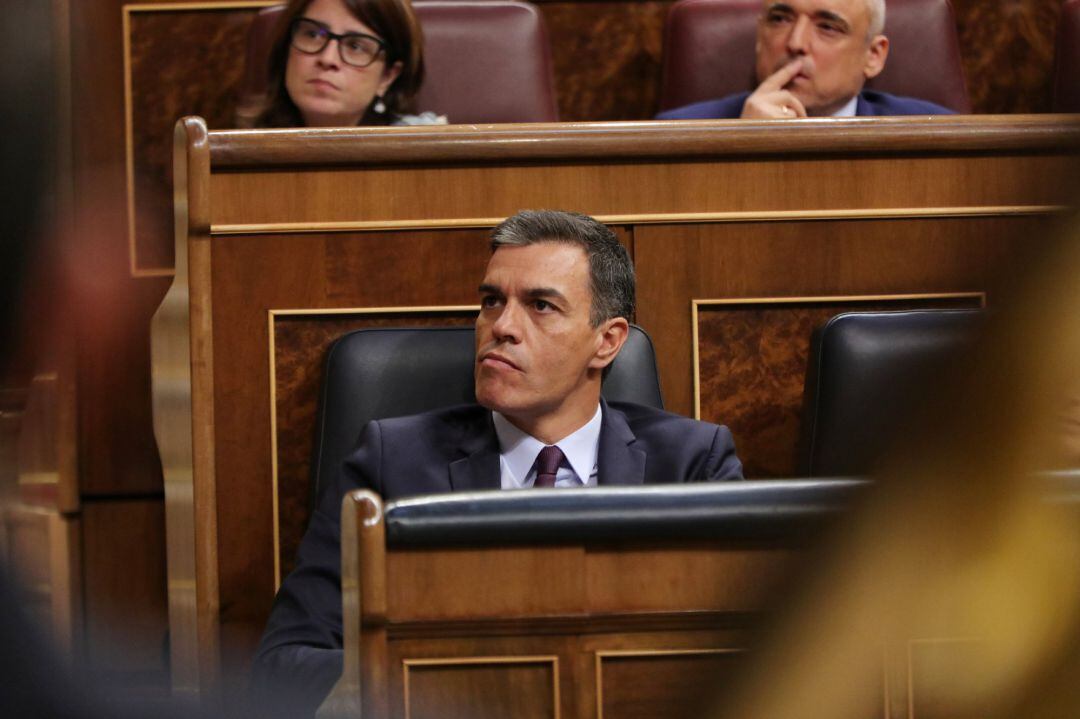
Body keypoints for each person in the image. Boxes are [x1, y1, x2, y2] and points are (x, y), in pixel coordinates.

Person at [250, 209, 743, 715]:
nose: (500, 327)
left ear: (607, 341)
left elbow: (749, 657)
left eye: (541, 305)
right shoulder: (392, 461)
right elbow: (287, 662)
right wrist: (445, 683)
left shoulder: (692, 465)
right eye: (491, 301)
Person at [657, 0, 954, 120]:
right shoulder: (673, 134)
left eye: (827, 27)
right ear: (760, 37)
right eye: (780, 19)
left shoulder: (940, 136)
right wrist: (739, 149)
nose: (796, 42)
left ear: (873, 56)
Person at [239, 0, 445, 128]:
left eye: (355, 46)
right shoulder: (234, 150)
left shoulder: (420, 157)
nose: (328, 59)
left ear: (388, 76)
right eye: (312, 34)